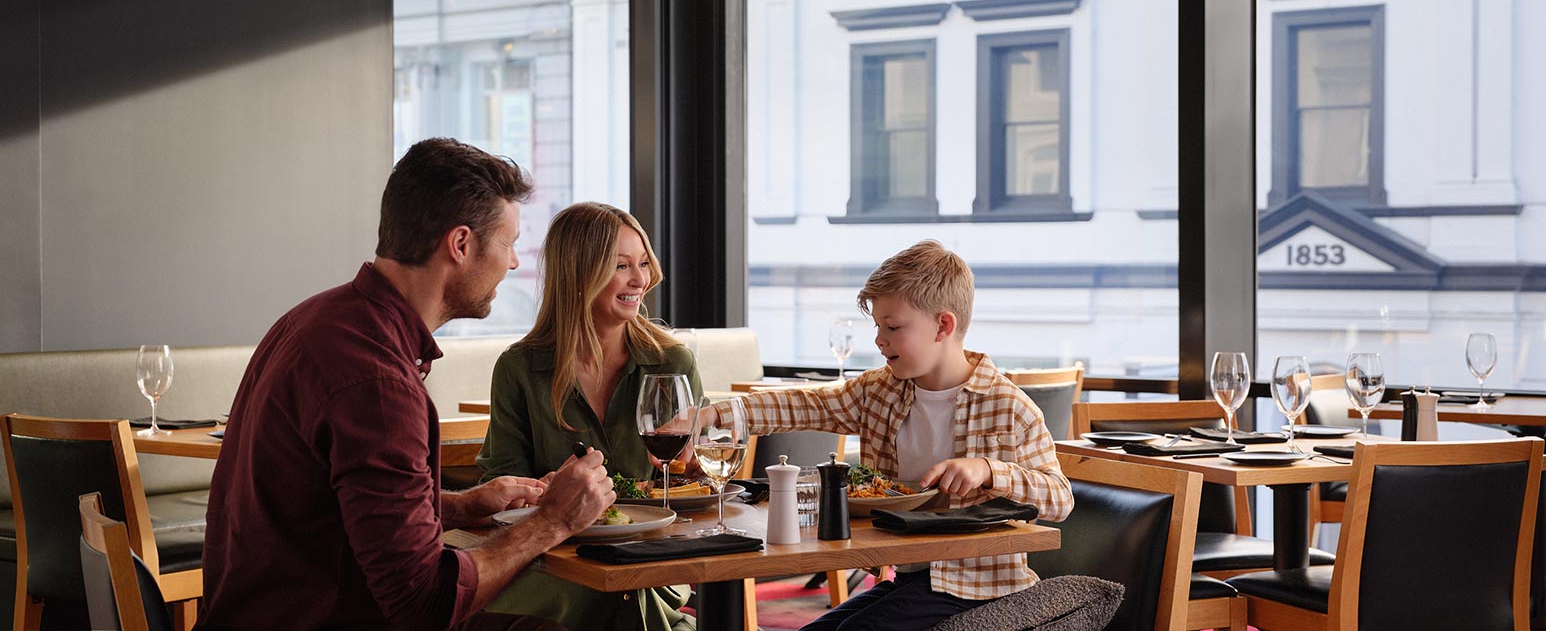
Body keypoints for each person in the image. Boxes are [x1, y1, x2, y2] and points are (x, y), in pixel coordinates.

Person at [197, 138, 615, 631]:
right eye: (509, 243)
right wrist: (555, 522)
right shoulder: (377, 382)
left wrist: (461, 505)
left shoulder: (315, 319)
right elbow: (424, 605)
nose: (515, 263)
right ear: (460, 244)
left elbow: (330, 506)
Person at [718, 240, 1074, 631]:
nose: (879, 339)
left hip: (983, 586)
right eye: (878, 326)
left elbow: (1060, 499)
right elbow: (809, 404)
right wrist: (722, 413)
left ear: (943, 325)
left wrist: (989, 470)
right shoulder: (882, 391)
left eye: (893, 327)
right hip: (909, 577)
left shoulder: (1009, 407)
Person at [475, 202, 701, 631]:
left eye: (643, 264)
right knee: (618, 597)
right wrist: (543, 491)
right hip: (554, 560)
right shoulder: (520, 368)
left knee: (627, 589)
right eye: (621, 266)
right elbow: (500, 490)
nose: (641, 280)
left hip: (650, 556)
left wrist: (693, 471)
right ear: (578, 275)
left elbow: (697, 481)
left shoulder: (671, 364)